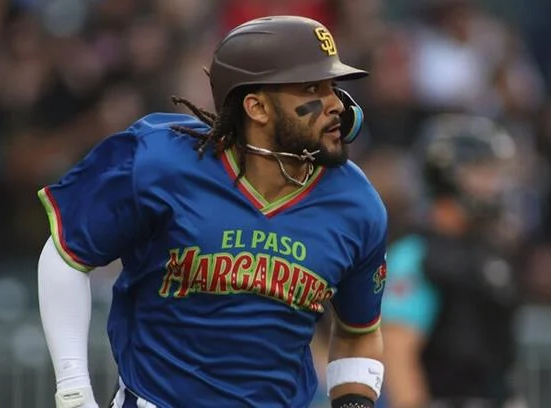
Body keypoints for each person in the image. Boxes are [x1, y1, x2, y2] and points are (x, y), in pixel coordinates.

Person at [37, 15, 388, 408]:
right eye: (313, 88)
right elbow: (67, 254)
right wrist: (73, 388)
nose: (337, 104)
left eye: (333, 87)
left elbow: (358, 332)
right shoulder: (159, 162)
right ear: (257, 107)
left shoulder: (356, 203)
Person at [380, 114, 523, 408]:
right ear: (445, 174)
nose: (494, 185)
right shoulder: (417, 253)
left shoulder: (488, 251)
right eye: (481, 171)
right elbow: (398, 350)